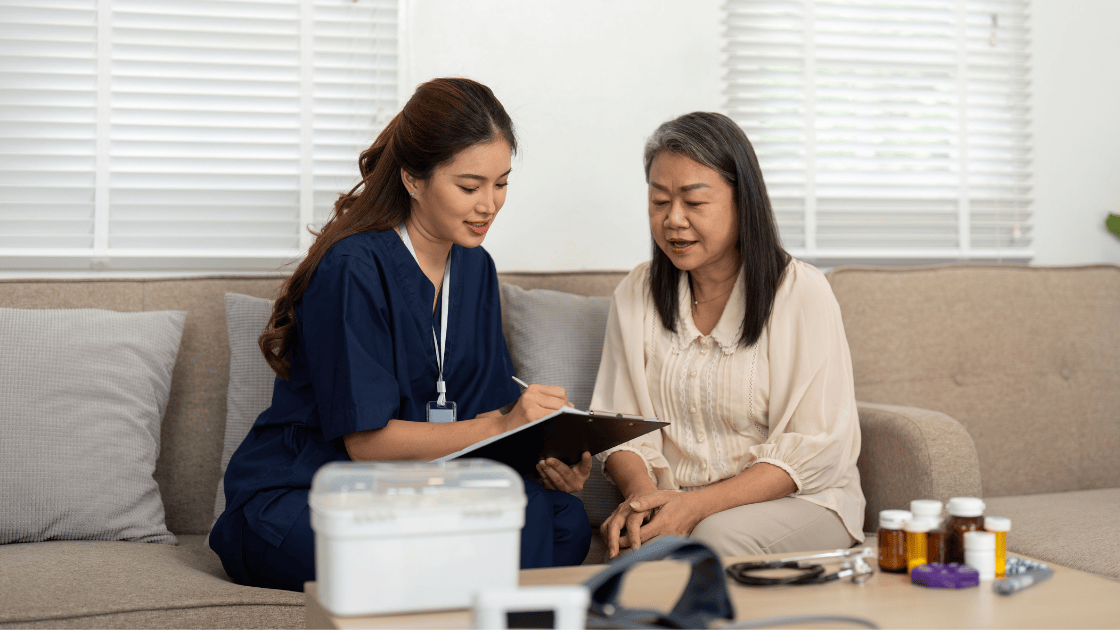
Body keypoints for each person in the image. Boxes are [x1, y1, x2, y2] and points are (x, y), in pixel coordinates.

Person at [210, 78, 592, 592]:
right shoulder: (352, 268)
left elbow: (482, 421)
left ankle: (465, 575)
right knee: (512, 536)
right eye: (469, 185)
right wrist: (503, 425)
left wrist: (545, 455)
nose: (489, 205)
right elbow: (368, 444)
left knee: (562, 517)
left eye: (501, 183)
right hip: (310, 491)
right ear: (414, 180)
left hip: (416, 489)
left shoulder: (476, 270)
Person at [592, 112, 865, 560]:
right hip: (679, 502)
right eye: (659, 201)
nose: (673, 219)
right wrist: (644, 502)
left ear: (743, 202)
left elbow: (817, 449)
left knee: (714, 540)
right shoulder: (637, 292)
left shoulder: (800, 292)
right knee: (637, 550)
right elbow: (619, 426)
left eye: (694, 203)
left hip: (801, 501)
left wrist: (693, 508)